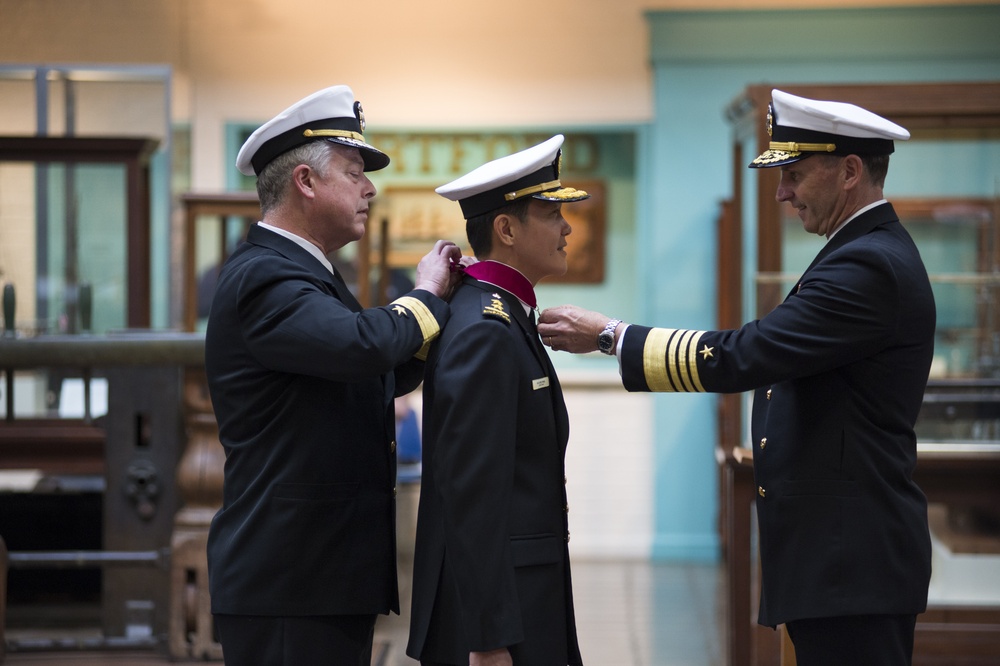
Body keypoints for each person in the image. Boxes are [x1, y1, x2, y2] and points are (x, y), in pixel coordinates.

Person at [538, 90, 935, 666]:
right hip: (839, 559)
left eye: (795, 174)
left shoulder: (868, 264)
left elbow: (744, 354)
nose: (782, 192)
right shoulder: (861, 250)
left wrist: (612, 336)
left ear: (850, 171)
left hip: (850, 562)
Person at [204, 84, 463, 666]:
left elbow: (369, 376)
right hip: (289, 580)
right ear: (305, 181)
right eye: (353, 172)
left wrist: (421, 340)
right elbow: (361, 346)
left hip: (319, 574)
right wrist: (427, 294)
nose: (370, 187)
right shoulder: (266, 277)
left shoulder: (304, 272)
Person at [407, 135, 590, 666]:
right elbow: (472, 493)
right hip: (497, 612)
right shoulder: (486, 327)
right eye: (551, 212)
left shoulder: (500, 312)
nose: (566, 226)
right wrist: (488, 639)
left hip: (520, 589)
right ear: (507, 229)